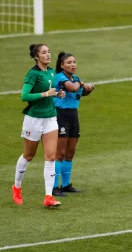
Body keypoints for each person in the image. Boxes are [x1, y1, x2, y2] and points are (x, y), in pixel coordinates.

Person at [12, 44, 66, 208]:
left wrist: (58, 93)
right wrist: (45, 94)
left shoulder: (50, 72)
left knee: (51, 157)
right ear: (37, 56)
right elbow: (24, 96)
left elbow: (51, 91)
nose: (48, 54)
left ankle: (48, 197)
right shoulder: (33, 74)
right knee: (29, 155)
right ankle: (17, 186)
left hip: (50, 118)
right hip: (34, 119)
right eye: (44, 52)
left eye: (49, 51)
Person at [52, 52, 95, 197]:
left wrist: (89, 89)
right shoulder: (60, 78)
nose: (73, 65)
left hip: (73, 116)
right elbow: (73, 88)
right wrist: (81, 84)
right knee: (60, 153)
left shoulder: (76, 79)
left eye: (74, 62)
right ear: (62, 65)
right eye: (69, 62)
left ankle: (65, 185)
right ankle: (53, 187)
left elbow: (80, 92)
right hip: (61, 116)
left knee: (70, 152)